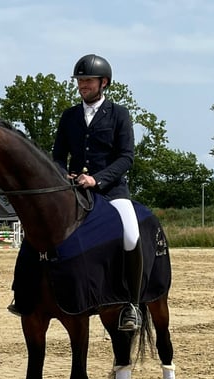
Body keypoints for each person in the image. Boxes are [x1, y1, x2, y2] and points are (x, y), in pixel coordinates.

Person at [53, 54, 142, 331]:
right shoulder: (69, 116)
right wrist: (63, 174)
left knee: (131, 234)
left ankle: (132, 304)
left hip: (111, 191)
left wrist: (97, 179)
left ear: (104, 82)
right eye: (80, 80)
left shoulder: (119, 114)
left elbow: (126, 157)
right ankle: (28, 294)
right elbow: (57, 155)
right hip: (74, 191)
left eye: (88, 80)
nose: (82, 85)